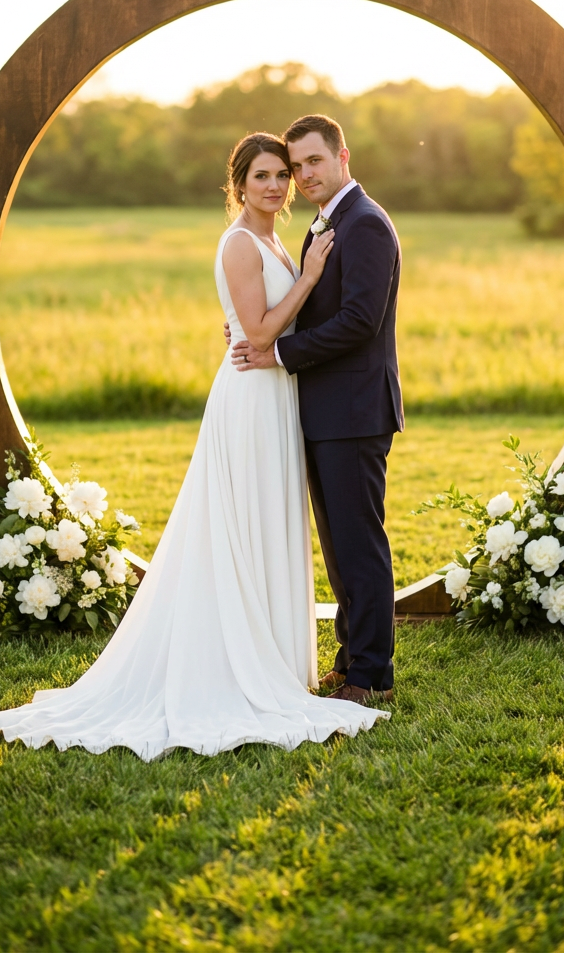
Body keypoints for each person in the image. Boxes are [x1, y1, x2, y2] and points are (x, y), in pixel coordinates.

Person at [0, 132, 387, 760]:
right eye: (264, 175)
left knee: (275, 522)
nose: (278, 184)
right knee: (243, 524)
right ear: (238, 185)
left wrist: (276, 306)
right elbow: (257, 327)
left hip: (278, 391)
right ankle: (241, 659)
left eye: (284, 173)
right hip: (253, 395)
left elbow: (269, 320)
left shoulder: (287, 237)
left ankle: (287, 660)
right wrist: (305, 281)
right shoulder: (243, 241)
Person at [230, 114, 403, 704]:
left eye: (312, 162)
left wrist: (277, 352)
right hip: (323, 410)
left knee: (359, 543)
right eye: (294, 166)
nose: (302, 176)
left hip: (354, 409)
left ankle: (370, 674)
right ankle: (350, 656)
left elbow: (360, 322)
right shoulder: (323, 226)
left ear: (342, 157)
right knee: (338, 545)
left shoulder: (366, 226)